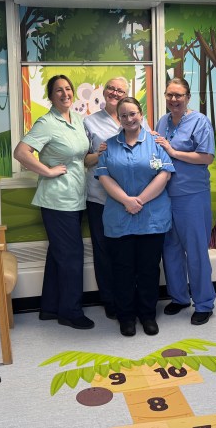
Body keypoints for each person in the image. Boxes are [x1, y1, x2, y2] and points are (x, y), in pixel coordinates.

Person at [13, 74, 93, 330]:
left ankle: (49, 307)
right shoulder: (47, 122)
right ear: (51, 96)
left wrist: (99, 155)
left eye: (68, 89)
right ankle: (70, 312)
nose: (65, 93)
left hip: (75, 196)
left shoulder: (77, 119)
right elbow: (21, 152)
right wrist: (46, 171)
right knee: (71, 255)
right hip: (58, 200)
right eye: (58, 90)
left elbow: (80, 157)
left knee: (59, 254)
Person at [95, 97, 174, 337]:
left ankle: (148, 315)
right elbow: (104, 177)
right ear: (118, 119)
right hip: (120, 217)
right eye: (124, 116)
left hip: (152, 217)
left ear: (141, 114)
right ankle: (126, 317)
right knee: (122, 270)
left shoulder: (157, 143)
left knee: (149, 269)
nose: (129, 119)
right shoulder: (108, 145)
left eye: (133, 114)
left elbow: (164, 174)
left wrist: (140, 200)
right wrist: (127, 201)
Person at [154, 77, 216, 325]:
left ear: (188, 97)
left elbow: (207, 157)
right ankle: (179, 297)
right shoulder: (162, 121)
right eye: (170, 94)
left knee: (196, 251)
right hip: (165, 195)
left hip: (191, 196)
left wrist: (173, 152)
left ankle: (203, 303)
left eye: (178, 95)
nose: (173, 99)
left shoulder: (199, 121)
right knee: (170, 249)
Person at [83, 77, 139, 320]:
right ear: (103, 92)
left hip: (131, 199)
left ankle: (130, 297)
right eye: (111, 88)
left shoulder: (137, 119)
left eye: (121, 90)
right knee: (104, 251)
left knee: (129, 250)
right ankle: (110, 299)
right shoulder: (90, 122)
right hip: (100, 199)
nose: (115, 93)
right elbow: (85, 160)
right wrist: (101, 152)